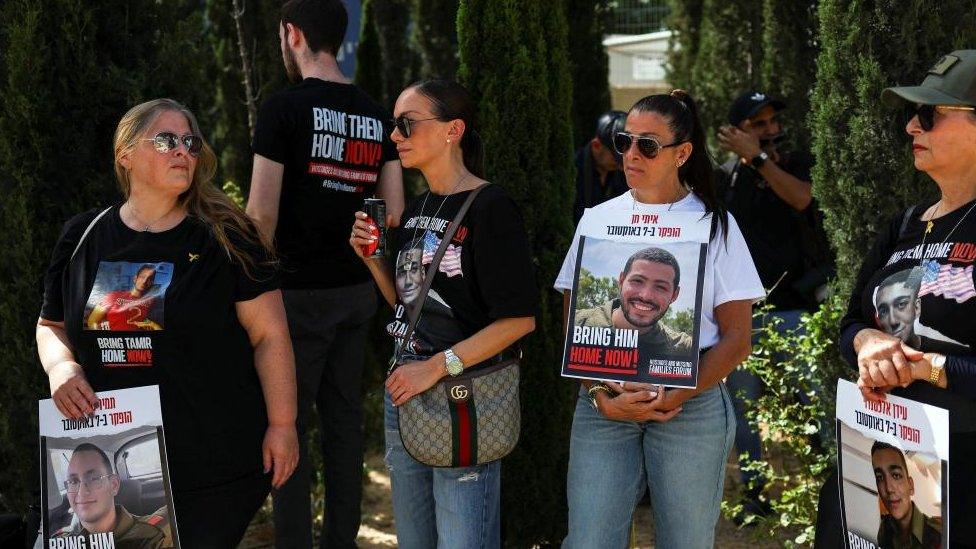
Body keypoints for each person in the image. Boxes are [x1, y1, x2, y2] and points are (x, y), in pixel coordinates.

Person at [37, 98, 298, 547]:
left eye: (191, 142)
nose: (183, 151)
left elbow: (270, 336)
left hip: (212, 464)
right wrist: (61, 368)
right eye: (167, 140)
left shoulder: (228, 238)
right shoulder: (83, 235)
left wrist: (282, 424)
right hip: (111, 450)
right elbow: (51, 325)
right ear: (125, 154)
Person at [556, 90, 764, 547]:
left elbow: (737, 338)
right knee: (589, 540)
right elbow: (575, 327)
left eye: (647, 145)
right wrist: (598, 393)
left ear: (682, 153)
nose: (631, 154)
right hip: (604, 406)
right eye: (624, 141)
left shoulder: (715, 225)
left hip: (689, 408)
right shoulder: (595, 220)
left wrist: (678, 393)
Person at [349, 78, 537, 548]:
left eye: (407, 124)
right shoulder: (417, 209)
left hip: (461, 398)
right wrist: (373, 259)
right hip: (407, 393)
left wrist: (435, 368)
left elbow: (519, 321)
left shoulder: (491, 207)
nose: (395, 136)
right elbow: (409, 306)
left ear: (453, 130)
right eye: (395, 125)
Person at [245, 0, 405, 546]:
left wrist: (247, 286)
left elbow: (260, 215)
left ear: (292, 34)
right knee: (343, 425)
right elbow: (395, 211)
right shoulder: (376, 113)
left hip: (293, 298)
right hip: (357, 292)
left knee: (287, 427)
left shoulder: (283, 109)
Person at [815, 50, 976, 548]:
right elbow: (849, 324)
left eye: (928, 115)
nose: (910, 126)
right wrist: (866, 343)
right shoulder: (905, 224)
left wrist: (926, 365)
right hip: (876, 453)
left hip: (963, 482)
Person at [715, 90, 832, 519]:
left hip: (791, 308)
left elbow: (803, 199)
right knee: (742, 412)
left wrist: (760, 160)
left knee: (813, 400)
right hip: (740, 315)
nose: (770, 130)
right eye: (757, 124)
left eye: (772, 123)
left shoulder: (792, 164)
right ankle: (755, 495)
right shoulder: (725, 177)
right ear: (735, 132)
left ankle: (833, 487)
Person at [574, 247, 693, 357]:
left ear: (674, 295)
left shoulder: (685, 349)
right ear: (621, 281)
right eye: (637, 281)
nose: (645, 296)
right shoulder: (574, 323)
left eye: (660, 287)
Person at [52, 443, 172, 548]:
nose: (82, 492)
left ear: (114, 485)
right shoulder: (58, 541)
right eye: (73, 481)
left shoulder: (152, 537)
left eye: (94, 478)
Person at [871, 442, 941, 549]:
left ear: (911, 486)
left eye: (896, 475)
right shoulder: (885, 530)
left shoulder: (937, 537)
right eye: (880, 478)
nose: (889, 489)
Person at [574, 110, 629, 223]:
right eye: (616, 158)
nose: (622, 167)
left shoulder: (621, 173)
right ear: (596, 146)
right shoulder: (573, 173)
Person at [85, 264, 162, 331]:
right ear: (135, 279)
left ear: (152, 283)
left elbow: (154, 323)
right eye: (142, 277)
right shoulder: (113, 296)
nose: (144, 281)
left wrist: (152, 325)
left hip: (140, 345)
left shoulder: (153, 301)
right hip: (114, 344)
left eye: (149, 279)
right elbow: (92, 321)